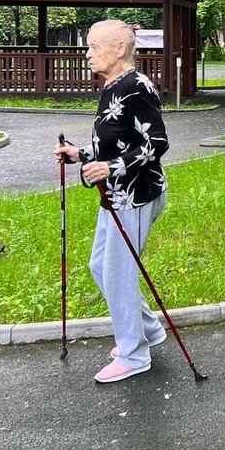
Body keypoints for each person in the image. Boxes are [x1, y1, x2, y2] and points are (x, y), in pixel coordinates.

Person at [54, 20, 170, 384]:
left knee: (118, 275)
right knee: (100, 266)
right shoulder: (113, 86)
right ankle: (148, 329)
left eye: (93, 46)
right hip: (116, 195)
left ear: (119, 48)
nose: (86, 53)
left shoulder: (137, 86)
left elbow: (157, 143)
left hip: (135, 195)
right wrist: (81, 153)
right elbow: (116, 140)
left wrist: (110, 167)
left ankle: (135, 355)